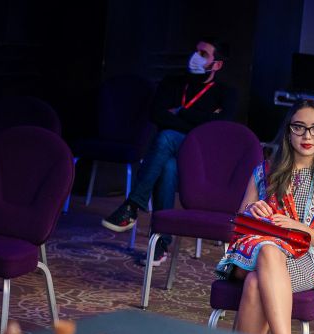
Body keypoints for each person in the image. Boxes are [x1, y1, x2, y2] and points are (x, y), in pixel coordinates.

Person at [215, 100, 314, 334]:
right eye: (299, 127)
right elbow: (238, 227)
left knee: (255, 283)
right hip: (254, 253)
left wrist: (298, 228)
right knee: (268, 250)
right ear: (288, 131)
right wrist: (252, 210)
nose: (307, 135)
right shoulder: (265, 171)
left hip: (307, 260)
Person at [101, 38, 237, 266]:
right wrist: (199, 120)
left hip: (200, 159)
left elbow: (218, 127)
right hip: (168, 154)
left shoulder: (226, 93)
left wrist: (180, 112)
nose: (195, 57)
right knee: (167, 165)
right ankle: (160, 244)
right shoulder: (172, 82)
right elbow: (156, 114)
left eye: (203, 54)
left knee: (166, 136)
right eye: (195, 51)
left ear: (217, 65)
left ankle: (132, 206)